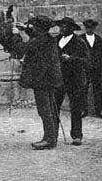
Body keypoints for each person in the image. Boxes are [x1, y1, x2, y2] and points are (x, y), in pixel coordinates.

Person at [9, 15, 63, 150]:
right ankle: (52, 137)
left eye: (34, 26)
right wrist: (25, 27)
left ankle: (49, 140)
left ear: (39, 28)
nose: (32, 28)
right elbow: (33, 32)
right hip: (49, 80)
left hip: (42, 81)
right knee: (50, 108)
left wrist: (18, 34)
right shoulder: (47, 39)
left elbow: (21, 48)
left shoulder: (38, 41)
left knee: (45, 110)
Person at [54, 17, 90, 145]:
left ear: (71, 28)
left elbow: (86, 60)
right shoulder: (56, 40)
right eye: (61, 26)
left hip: (74, 79)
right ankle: (52, 134)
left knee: (75, 107)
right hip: (58, 79)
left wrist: (70, 58)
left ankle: (76, 135)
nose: (62, 28)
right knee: (54, 107)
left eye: (64, 26)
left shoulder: (79, 42)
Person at [82, 19, 102, 118]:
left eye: (91, 28)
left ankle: (99, 111)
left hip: (96, 68)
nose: (89, 29)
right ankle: (83, 110)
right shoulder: (80, 39)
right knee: (83, 89)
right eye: (87, 27)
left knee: (97, 90)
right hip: (84, 68)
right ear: (85, 28)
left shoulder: (98, 39)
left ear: (94, 28)